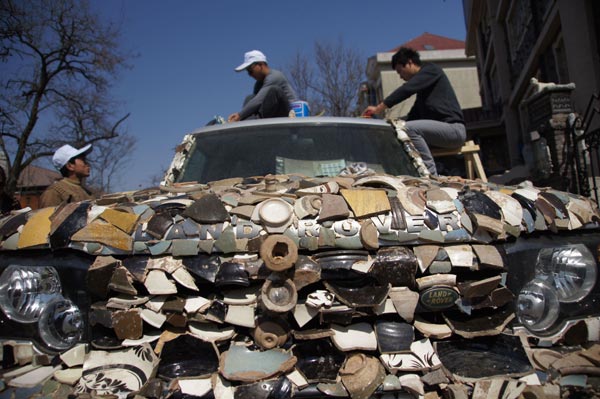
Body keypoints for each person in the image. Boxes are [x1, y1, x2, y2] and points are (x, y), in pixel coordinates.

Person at [363, 47, 466, 175]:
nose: (401, 77)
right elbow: (411, 117)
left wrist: (379, 108)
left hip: (454, 130)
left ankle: (430, 174)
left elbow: (407, 90)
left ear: (410, 63)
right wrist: (388, 126)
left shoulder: (432, 70)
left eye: (400, 71)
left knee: (408, 128)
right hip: (440, 135)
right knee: (401, 133)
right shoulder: (424, 94)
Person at [228, 50, 297, 122]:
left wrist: (240, 115)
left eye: (251, 71)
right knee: (250, 97)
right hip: (269, 114)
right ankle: (246, 123)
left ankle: (251, 121)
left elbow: (258, 100)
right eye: (248, 72)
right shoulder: (258, 84)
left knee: (274, 90)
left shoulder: (275, 77)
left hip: (288, 113)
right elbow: (255, 103)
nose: (250, 75)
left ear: (260, 65)